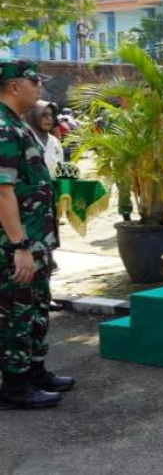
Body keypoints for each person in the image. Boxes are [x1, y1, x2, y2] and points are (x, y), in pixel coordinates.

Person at [0, 60, 71, 410]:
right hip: (17, 244)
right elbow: (2, 192)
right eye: (34, 83)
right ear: (14, 87)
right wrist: (19, 246)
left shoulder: (18, 124)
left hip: (36, 239)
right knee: (17, 310)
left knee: (37, 305)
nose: (40, 89)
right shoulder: (3, 128)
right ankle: (13, 385)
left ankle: (34, 370)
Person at [25, 101, 63, 179]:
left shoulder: (55, 141)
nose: (49, 119)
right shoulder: (25, 139)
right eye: (44, 115)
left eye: (51, 115)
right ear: (33, 116)